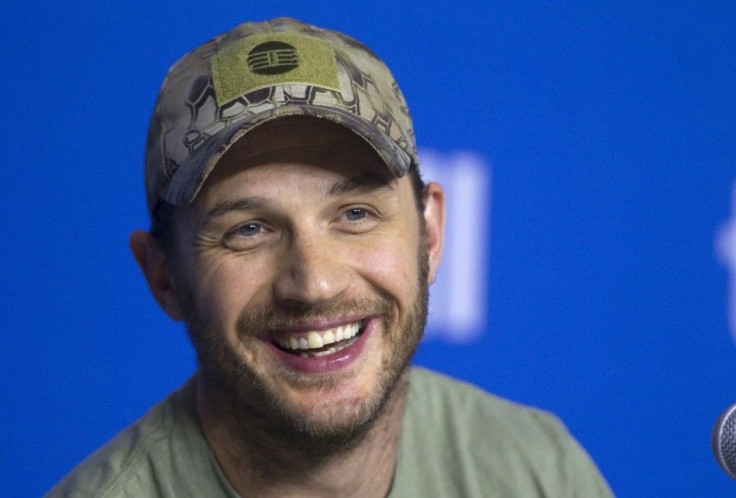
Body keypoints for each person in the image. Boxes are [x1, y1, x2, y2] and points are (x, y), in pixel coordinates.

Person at [48, 17, 612, 497]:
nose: (315, 283)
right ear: (164, 277)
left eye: (356, 215)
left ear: (431, 233)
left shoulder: (540, 471)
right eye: (249, 229)